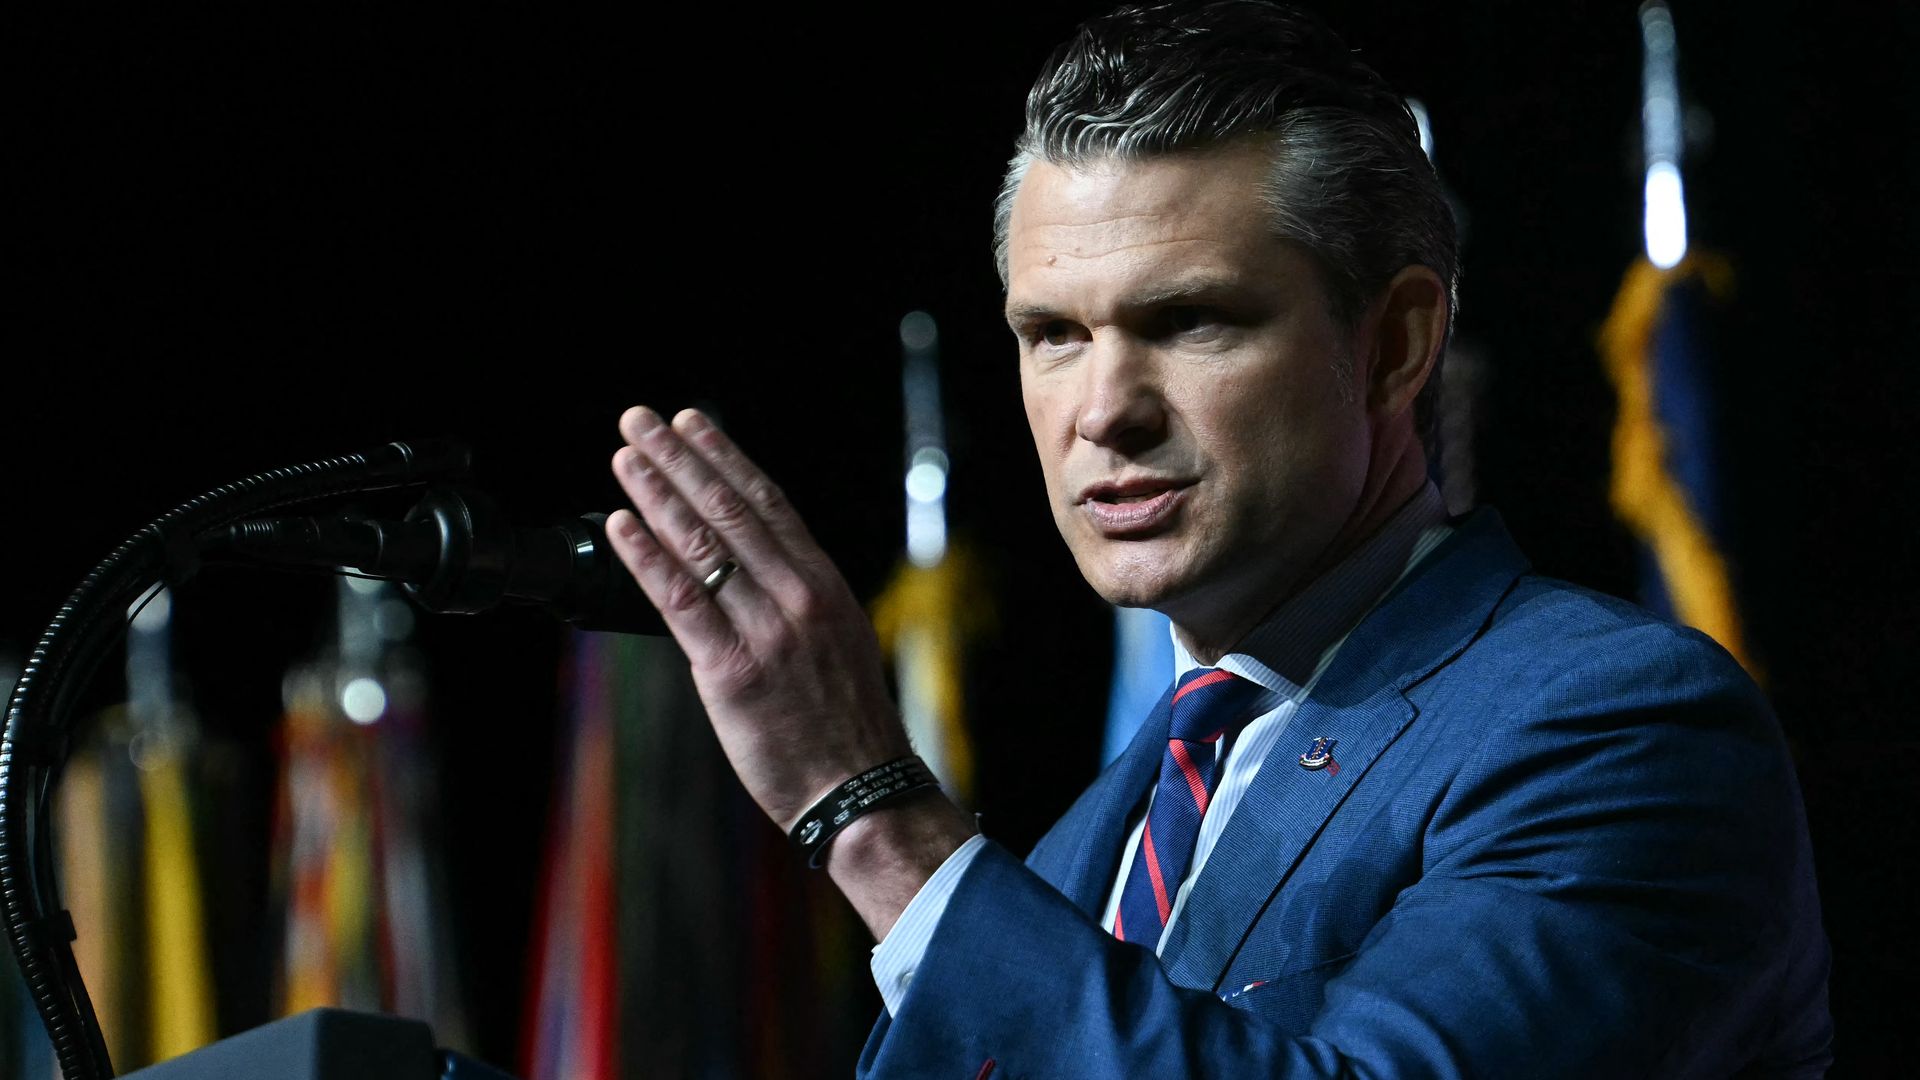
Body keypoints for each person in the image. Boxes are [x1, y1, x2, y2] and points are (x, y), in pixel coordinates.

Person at [604, 1, 1832, 1074]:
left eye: (1188, 320)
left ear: (1398, 344)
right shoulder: (1097, 833)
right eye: (1054, 335)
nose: (1104, 410)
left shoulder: (1620, 727)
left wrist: (868, 813)